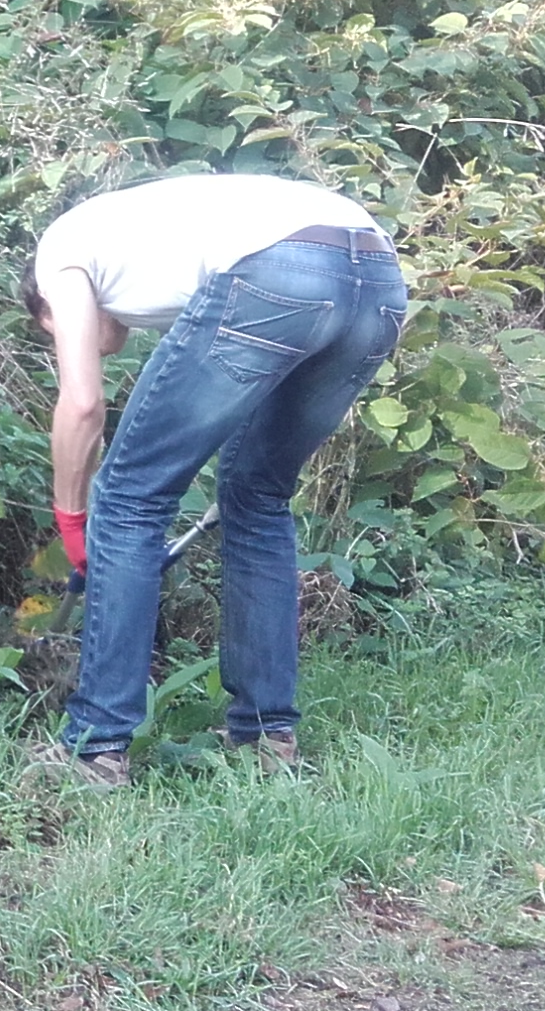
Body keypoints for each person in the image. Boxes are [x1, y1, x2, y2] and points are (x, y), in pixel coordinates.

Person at [22, 173, 406, 787]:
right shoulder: (135, 239)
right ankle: (264, 737)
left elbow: (83, 404)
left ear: (46, 308)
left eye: (55, 329)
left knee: (128, 501)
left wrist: (72, 519)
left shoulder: (58, 254)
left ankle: (94, 749)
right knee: (257, 498)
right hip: (378, 277)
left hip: (278, 266)